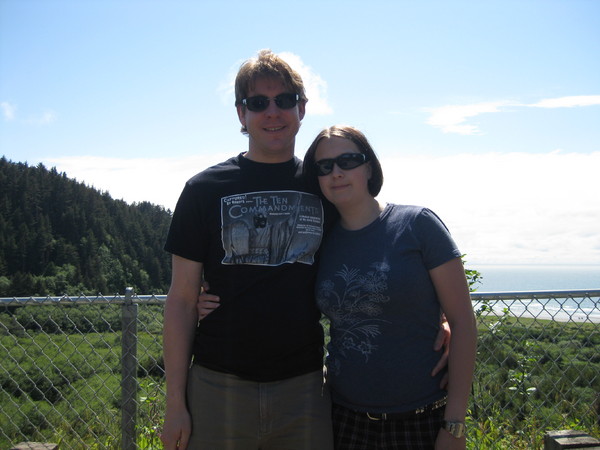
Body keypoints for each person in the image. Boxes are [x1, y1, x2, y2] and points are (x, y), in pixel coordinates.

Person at [161, 49, 335, 449]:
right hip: (217, 387)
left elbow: (367, 250)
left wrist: (437, 316)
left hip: (305, 389)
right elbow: (182, 299)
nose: (272, 112)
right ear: (241, 114)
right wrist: (175, 404)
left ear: (302, 108)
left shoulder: (325, 185)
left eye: (284, 99)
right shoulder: (203, 190)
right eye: (258, 103)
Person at [302, 125, 477, 449]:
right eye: (324, 166)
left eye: (348, 161)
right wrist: (207, 292)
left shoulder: (417, 225)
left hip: (422, 419)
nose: (336, 172)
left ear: (369, 167)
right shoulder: (319, 242)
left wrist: (454, 424)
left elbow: (463, 321)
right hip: (344, 420)